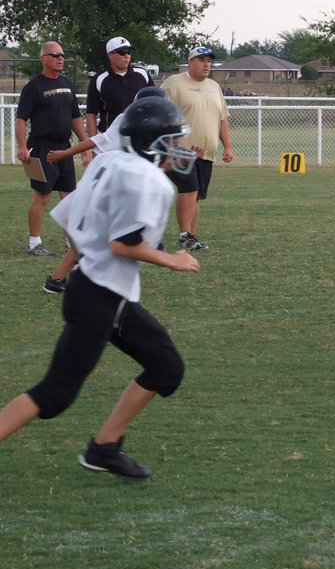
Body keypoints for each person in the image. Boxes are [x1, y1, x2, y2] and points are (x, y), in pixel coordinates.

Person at [0, 95, 201, 479]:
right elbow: (122, 243)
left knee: (165, 366)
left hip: (101, 290)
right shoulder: (149, 181)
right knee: (55, 393)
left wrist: (75, 266)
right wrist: (172, 259)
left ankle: (104, 447)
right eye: (171, 140)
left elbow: (72, 218)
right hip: (97, 296)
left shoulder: (108, 161)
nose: (178, 148)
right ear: (148, 142)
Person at [41, 86, 170, 294]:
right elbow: (99, 141)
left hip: (108, 180)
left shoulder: (141, 125)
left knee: (87, 234)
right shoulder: (129, 123)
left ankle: (64, 277)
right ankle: (61, 279)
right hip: (108, 183)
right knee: (100, 237)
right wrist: (65, 153)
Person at [15, 42, 90, 257]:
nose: (60, 58)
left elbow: (76, 117)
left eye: (62, 55)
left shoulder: (67, 84)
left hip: (64, 148)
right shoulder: (33, 87)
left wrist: (84, 144)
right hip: (41, 147)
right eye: (55, 55)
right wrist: (22, 146)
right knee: (43, 195)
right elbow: (21, 119)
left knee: (69, 197)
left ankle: (71, 243)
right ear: (43, 58)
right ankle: (34, 243)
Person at [161, 47, 233, 250]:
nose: (206, 63)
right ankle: (185, 235)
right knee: (189, 188)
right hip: (180, 152)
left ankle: (191, 236)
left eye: (209, 60)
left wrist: (227, 146)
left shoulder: (214, 86)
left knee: (196, 194)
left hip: (206, 153)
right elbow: (161, 116)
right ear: (190, 62)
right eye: (201, 59)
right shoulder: (174, 84)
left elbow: (222, 119)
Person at [85, 36, 155, 137]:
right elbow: (91, 113)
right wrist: (95, 145)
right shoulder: (100, 79)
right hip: (112, 138)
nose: (126, 56)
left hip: (140, 136)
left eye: (128, 52)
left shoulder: (142, 74)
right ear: (110, 55)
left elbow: (154, 102)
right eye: (122, 53)